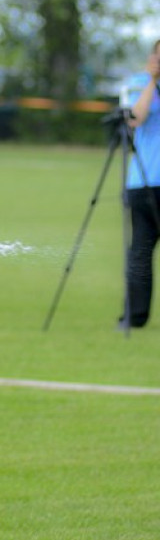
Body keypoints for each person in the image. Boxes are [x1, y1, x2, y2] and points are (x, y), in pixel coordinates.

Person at [120, 39, 160, 329]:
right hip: (145, 181)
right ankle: (135, 317)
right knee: (141, 253)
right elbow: (135, 119)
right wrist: (152, 81)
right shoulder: (138, 82)